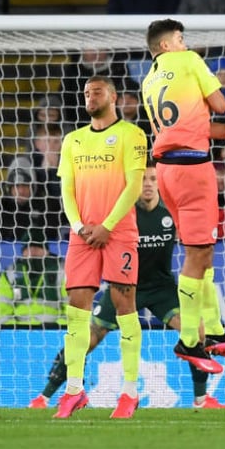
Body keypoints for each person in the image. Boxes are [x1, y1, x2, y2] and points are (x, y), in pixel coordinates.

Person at [29, 163, 225, 410]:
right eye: (143, 179)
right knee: (88, 339)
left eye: (153, 179)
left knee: (197, 331)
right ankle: (44, 397)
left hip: (161, 288)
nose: (148, 184)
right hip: (123, 287)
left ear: (160, 183)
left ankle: (201, 399)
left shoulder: (171, 214)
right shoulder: (123, 214)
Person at [142, 19, 225, 377]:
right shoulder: (189, 60)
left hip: (165, 173)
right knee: (198, 255)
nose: (184, 42)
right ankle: (190, 341)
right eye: (180, 38)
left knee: (200, 252)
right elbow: (220, 105)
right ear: (166, 44)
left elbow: (198, 125)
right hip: (192, 170)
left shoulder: (148, 80)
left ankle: (216, 331)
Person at [53, 75, 147, 420]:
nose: (90, 97)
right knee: (76, 308)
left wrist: (107, 226)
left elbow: (135, 185)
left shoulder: (131, 135)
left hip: (118, 233)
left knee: (125, 307)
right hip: (83, 235)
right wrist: (79, 227)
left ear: (113, 96)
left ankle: (130, 391)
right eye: (86, 93)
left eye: (97, 92)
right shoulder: (73, 140)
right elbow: (68, 191)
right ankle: (74, 389)